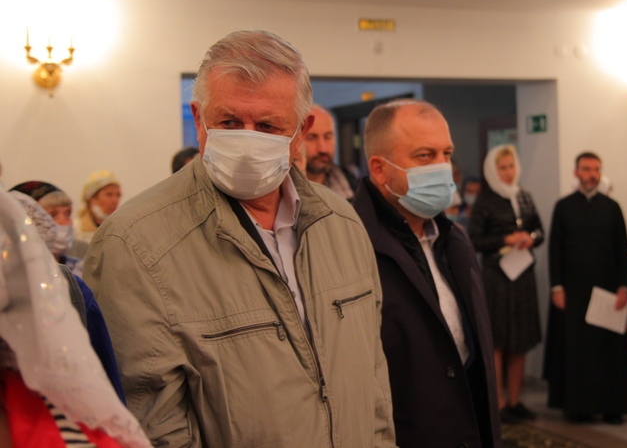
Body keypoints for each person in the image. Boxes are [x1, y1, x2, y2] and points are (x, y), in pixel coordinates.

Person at [83, 30, 395, 447]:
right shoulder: (134, 245)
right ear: (199, 120)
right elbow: (149, 427)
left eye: (267, 126)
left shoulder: (341, 224)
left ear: (301, 131)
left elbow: (373, 384)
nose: (248, 143)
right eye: (229, 123)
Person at [353, 99, 502, 447]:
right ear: (379, 169)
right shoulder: (349, 243)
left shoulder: (455, 240)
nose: (442, 167)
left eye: (446, 154)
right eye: (424, 156)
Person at [0, 190, 150, 448]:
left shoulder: (69, 284)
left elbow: (102, 364)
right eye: (54, 214)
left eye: (67, 214)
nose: (62, 222)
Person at [543, 151, 627, 423]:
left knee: (608, 349)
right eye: (586, 169)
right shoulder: (563, 207)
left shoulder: (612, 207)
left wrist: (624, 286)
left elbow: (622, 250)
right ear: (576, 172)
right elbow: (555, 250)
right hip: (573, 290)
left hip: (607, 289)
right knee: (577, 349)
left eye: (596, 169)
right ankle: (578, 407)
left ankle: (612, 407)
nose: (591, 174)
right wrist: (557, 287)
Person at [468, 145, 545, 424]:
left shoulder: (524, 196)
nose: (508, 172)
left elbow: (540, 230)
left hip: (522, 275)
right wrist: (505, 240)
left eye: (511, 166)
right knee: (498, 340)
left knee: (520, 339)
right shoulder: (485, 200)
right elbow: (475, 239)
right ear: (493, 170)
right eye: (502, 168)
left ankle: (515, 400)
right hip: (496, 277)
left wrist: (530, 238)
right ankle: (498, 403)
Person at [9, 181, 82, 276]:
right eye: (52, 215)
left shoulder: (82, 269)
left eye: (67, 213)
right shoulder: (13, 274)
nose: (65, 223)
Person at [303, 104, 358, 202]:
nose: (322, 149)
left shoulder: (354, 188)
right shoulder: (279, 192)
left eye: (328, 137)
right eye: (311, 138)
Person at [75, 170, 121, 245]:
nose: (115, 200)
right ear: (92, 198)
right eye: (109, 194)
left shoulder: (122, 230)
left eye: (118, 195)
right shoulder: (75, 231)